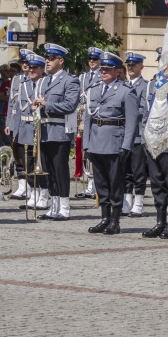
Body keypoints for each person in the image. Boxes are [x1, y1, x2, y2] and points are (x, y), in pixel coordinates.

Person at [84, 52, 139, 235]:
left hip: (114, 142)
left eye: (108, 69)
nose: (104, 72)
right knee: (101, 183)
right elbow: (87, 120)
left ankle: (115, 220)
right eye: (102, 69)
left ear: (117, 71)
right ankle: (104, 218)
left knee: (115, 183)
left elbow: (131, 122)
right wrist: (86, 144)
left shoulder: (125, 91)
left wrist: (126, 145)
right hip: (96, 142)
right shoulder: (93, 89)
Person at [35, 43, 81, 221]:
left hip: (59, 131)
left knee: (60, 170)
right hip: (44, 131)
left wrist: (47, 104)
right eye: (46, 58)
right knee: (49, 171)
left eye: (51, 58)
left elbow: (70, 105)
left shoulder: (70, 81)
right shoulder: (44, 81)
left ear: (60, 61)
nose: (47, 61)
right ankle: (53, 207)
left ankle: (64, 207)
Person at [141, 50, 168, 240]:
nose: (163, 67)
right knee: (156, 185)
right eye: (160, 63)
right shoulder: (152, 85)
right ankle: (160, 221)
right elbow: (145, 113)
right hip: (153, 140)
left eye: (167, 64)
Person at [6, 52, 47, 212]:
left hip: (39, 129)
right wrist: (13, 125)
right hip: (24, 128)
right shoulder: (22, 84)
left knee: (41, 163)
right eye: (29, 67)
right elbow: (15, 106)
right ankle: (33, 193)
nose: (30, 70)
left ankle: (44, 195)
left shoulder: (45, 83)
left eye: (34, 67)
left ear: (41, 69)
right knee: (28, 163)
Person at [122, 51, 149, 217]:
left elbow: (144, 109)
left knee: (139, 171)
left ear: (141, 67)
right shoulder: (122, 85)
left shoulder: (145, 87)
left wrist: (125, 112)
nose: (130, 67)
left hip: (138, 134)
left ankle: (138, 202)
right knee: (125, 172)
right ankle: (126, 202)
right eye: (128, 65)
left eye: (134, 65)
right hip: (123, 135)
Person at [75, 46, 104, 200]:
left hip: (95, 117)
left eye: (95, 59)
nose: (92, 62)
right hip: (83, 117)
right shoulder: (82, 77)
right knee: (84, 151)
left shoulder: (103, 76)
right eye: (90, 59)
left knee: (94, 152)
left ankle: (95, 184)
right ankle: (88, 183)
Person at [0, 64, 13, 145]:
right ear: (1, 72)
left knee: (8, 136)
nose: (8, 72)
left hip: (9, 112)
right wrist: (12, 99)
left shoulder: (12, 82)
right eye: (6, 71)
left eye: (9, 70)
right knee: (0, 136)